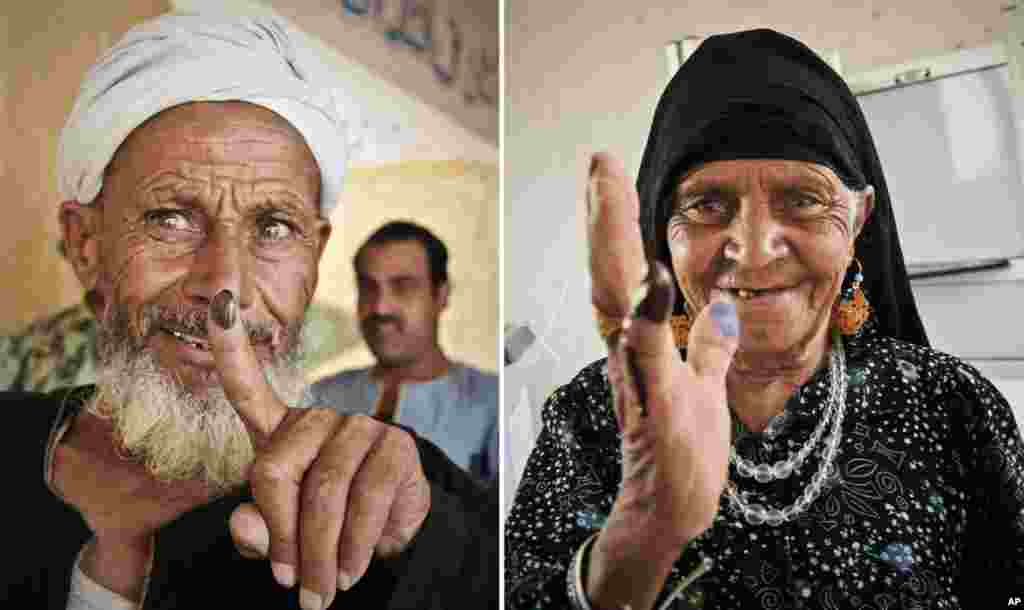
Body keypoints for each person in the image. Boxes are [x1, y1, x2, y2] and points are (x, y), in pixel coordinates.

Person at [505, 29, 1024, 609]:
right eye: (707, 205)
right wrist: (640, 541)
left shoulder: (950, 406)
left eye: (803, 199)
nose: (753, 251)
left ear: (858, 221)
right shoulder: (588, 419)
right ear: (662, 230)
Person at [1, 13, 495, 609]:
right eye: (171, 218)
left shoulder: (400, 501)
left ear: (315, 259)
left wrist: (427, 548)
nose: (225, 285)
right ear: (86, 245)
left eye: (275, 227)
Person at [313, 221, 499, 482]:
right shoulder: (319, 398)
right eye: (368, 288)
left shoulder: (493, 402)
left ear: (441, 295)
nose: (380, 307)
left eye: (403, 287)